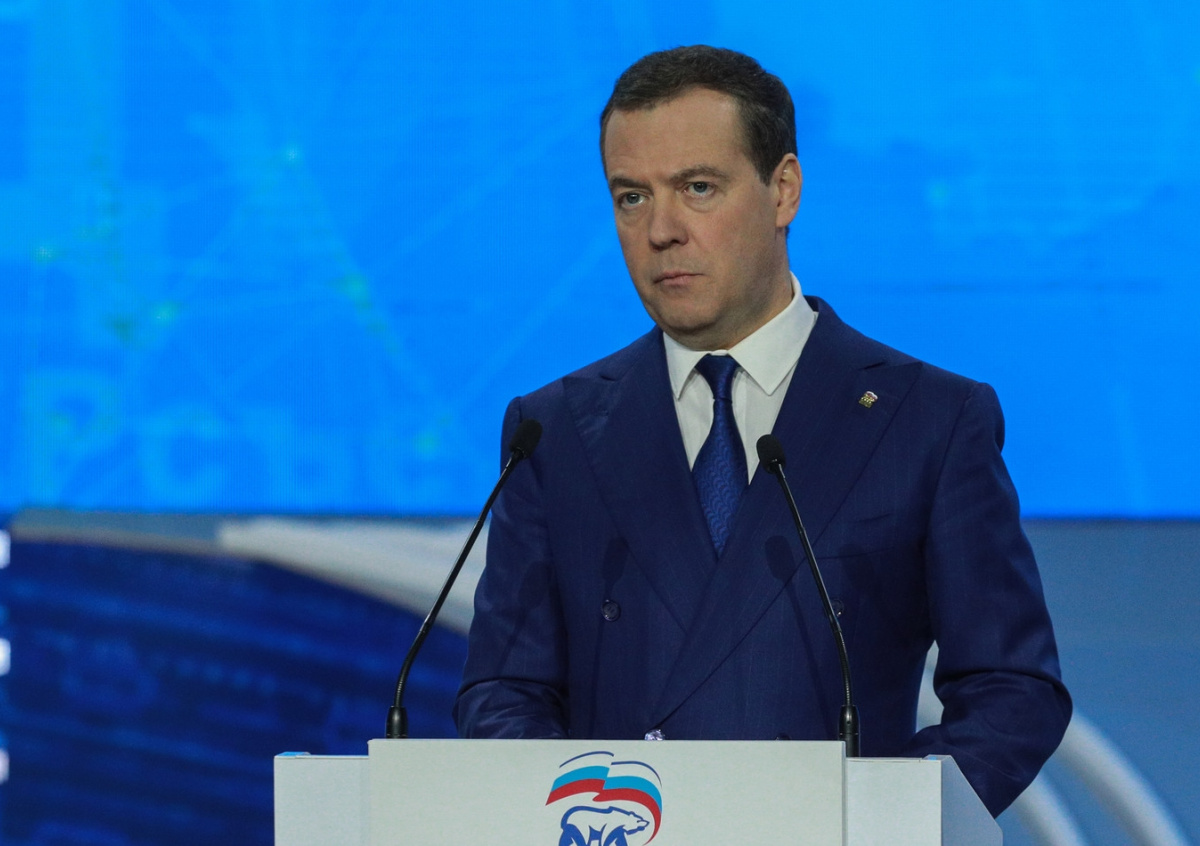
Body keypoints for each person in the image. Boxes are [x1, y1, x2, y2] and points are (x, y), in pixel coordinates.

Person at [454, 45, 1071, 817]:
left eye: (698, 188)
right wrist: (579, 817)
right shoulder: (553, 431)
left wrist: (886, 817)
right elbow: (503, 690)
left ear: (783, 191)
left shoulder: (928, 420)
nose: (661, 230)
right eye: (631, 197)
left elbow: (1012, 688)